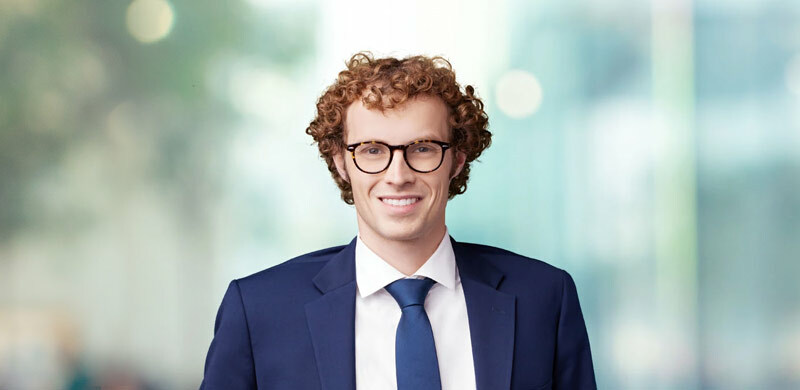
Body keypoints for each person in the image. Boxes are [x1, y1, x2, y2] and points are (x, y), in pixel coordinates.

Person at [200, 52, 596, 390]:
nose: (398, 174)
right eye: (372, 150)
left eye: (422, 148)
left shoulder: (544, 298)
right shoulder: (258, 310)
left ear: (457, 160)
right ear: (341, 162)